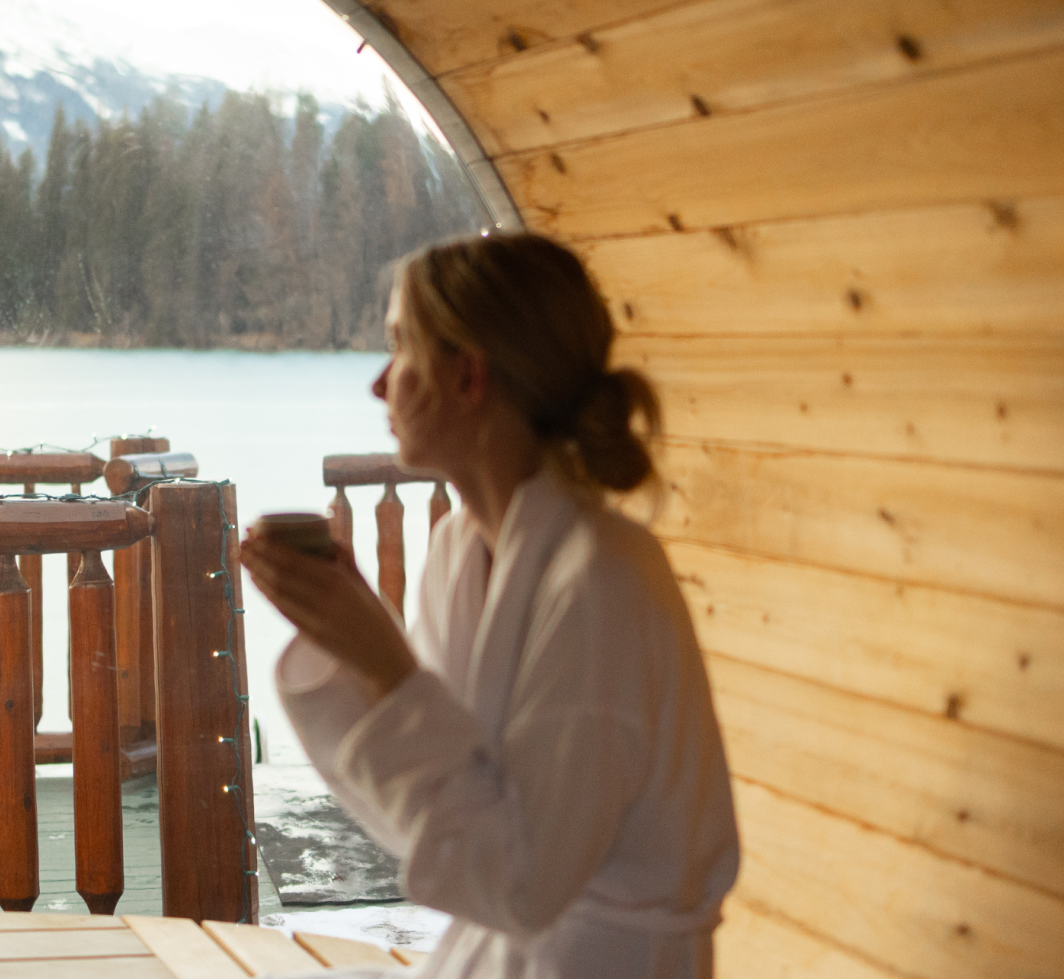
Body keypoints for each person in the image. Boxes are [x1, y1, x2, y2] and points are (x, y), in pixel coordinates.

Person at [240, 232, 739, 979]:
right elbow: (440, 832)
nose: (379, 385)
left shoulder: (602, 581)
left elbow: (522, 880)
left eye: (401, 347)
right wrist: (348, 645)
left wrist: (385, 665)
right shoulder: (456, 549)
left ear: (467, 375)